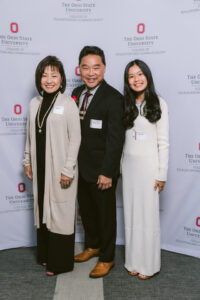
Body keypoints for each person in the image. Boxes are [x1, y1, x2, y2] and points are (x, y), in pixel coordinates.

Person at [23, 56, 81, 275]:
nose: (49, 80)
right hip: (39, 168)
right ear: (39, 79)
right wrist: (27, 160)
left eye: (54, 75)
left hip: (59, 170)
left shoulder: (68, 103)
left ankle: (61, 263)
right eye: (44, 75)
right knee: (43, 208)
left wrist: (68, 169)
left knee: (60, 212)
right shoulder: (34, 103)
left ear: (62, 78)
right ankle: (46, 255)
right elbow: (29, 134)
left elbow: (75, 139)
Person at [72, 46, 125, 278]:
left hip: (102, 170)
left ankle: (107, 257)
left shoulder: (114, 98)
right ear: (79, 69)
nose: (91, 73)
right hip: (80, 168)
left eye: (96, 67)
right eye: (86, 67)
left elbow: (116, 140)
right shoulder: (76, 93)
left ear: (104, 68)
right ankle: (92, 246)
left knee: (105, 215)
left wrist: (107, 172)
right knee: (88, 212)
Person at [121, 59, 169, 279]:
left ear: (147, 76)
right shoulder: (126, 104)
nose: (136, 79)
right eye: (131, 76)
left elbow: (163, 143)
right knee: (131, 215)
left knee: (147, 217)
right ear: (127, 80)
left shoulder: (159, 103)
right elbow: (123, 141)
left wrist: (161, 174)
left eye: (140, 74)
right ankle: (133, 260)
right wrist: (121, 167)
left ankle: (148, 265)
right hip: (129, 169)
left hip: (149, 169)